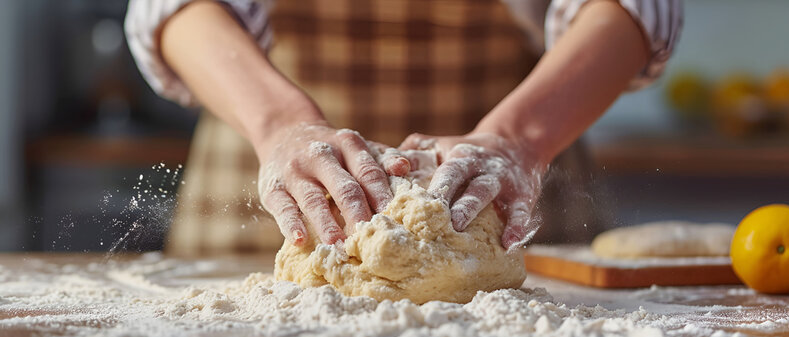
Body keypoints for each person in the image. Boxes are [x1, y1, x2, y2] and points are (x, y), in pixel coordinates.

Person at [125, 0, 682, 254]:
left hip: (505, 192)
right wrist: (281, 125)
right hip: (264, 190)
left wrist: (517, 140)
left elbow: (637, 6)